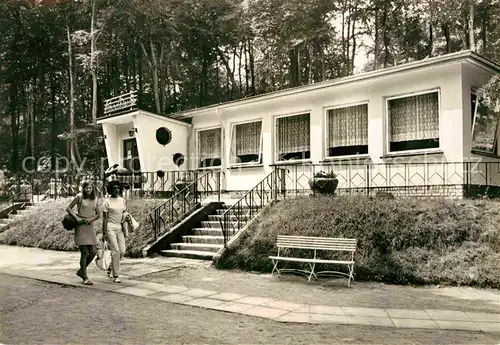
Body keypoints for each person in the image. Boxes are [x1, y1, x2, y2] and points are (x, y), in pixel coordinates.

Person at [66, 181, 101, 285]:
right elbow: (68, 208)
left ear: (92, 188)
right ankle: (85, 277)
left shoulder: (95, 199)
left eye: (90, 188)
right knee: (84, 252)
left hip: (90, 226)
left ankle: (81, 271)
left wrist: (90, 220)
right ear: (83, 188)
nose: (88, 190)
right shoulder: (79, 197)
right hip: (80, 225)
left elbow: (98, 214)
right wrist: (76, 218)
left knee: (94, 251)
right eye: (86, 188)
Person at [102, 180, 127, 283]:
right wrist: (104, 233)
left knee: (122, 251)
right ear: (110, 190)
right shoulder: (106, 202)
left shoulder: (122, 200)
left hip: (119, 227)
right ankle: (115, 276)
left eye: (118, 188)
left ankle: (110, 267)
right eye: (114, 188)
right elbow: (105, 219)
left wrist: (126, 228)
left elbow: (124, 214)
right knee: (115, 250)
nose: (116, 190)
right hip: (110, 227)